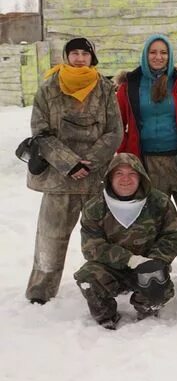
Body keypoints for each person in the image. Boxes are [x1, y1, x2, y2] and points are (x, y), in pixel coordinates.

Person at [25, 37, 123, 305]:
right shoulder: (48, 89)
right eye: (74, 53)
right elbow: (40, 133)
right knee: (50, 239)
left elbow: (115, 131)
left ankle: (105, 286)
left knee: (101, 239)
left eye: (84, 53)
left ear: (92, 58)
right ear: (66, 57)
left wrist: (89, 162)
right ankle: (40, 294)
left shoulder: (105, 89)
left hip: (96, 179)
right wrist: (70, 164)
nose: (79, 58)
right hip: (59, 180)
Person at [73, 153, 177, 329]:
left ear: (141, 177)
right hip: (111, 268)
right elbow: (92, 247)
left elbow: (172, 235)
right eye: (119, 174)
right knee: (87, 276)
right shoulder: (95, 206)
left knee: (158, 283)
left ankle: (147, 312)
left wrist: (153, 261)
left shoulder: (159, 201)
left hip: (148, 264)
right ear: (109, 178)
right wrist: (130, 260)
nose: (126, 179)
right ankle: (106, 316)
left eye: (132, 174)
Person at [116, 34, 177, 237]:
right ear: (145, 55)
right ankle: (157, 267)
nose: (158, 57)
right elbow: (117, 124)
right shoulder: (131, 84)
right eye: (153, 52)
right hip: (147, 163)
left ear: (170, 56)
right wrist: (125, 155)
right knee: (154, 222)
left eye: (163, 52)